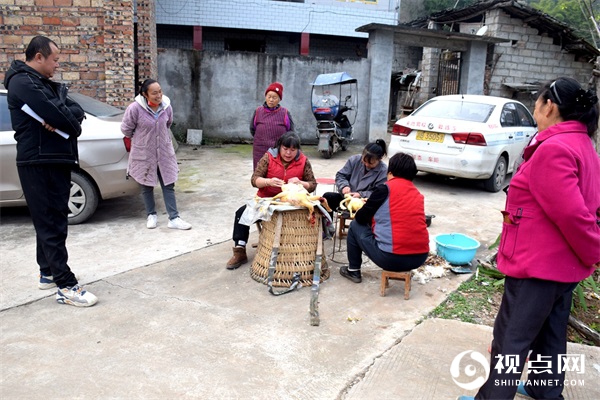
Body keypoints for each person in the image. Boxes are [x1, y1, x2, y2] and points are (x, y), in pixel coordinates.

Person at [458, 77, 600, 400]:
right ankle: (545, 390)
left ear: (550, 105)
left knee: (511, 341)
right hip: (564, 268)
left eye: (537, 100)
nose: (535, 106)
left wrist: (594, 250)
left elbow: (574, 217)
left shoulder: (555, 150)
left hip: (539, 269)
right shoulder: (582, 146)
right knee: (550, 337)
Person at [3, 35, 97, 307]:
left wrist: (65, 119)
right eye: (54, 59)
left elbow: (74, 110)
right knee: (50, 223)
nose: (57, 64)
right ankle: (66, 285)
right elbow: (61, 117)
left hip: (54, 158)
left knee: (54, 219)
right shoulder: (23, 82)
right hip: (39, 162)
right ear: (39, 56)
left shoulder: (42, 83)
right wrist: (67, 122)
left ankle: (47, 272)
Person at [226, 132, 317, 270]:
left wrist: (301, 183)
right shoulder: (268, 157)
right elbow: (254, 180)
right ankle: (240, 249)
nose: (288, 153)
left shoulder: (303, 161)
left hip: (291, 203)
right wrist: (268, 181)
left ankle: (298, 249)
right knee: (241, 213)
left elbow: (313, 184)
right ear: (279, 146)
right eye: (285, 149)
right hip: (266, 200)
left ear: (298, 150)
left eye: (293, 150)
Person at [339, 152, 429, 283]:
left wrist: (366, 206)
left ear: (390, 172)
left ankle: (353, 270)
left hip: (391, 258)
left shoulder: (384, 189)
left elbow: (361, 218)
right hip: (420, 258)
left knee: (355, 226)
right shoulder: (417, 193)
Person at [121, 79, 192, 230]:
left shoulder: (166, 107)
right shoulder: (135, 109)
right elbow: (126, 129)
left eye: (160, 91)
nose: (158, 95)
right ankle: (151, 215)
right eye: (154, 93)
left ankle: (174, 218)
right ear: (145, 94)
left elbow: (168, 124)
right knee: (146, 184)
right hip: (144, 153)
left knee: (168, 183)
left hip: (164, 152)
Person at [322, 139, 388, 216]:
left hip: (366, 204)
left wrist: (361, 194)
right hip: (347, 199)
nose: (366, 164)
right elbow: (340, 175)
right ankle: (327, 226)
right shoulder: (354, 160)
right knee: (327, 198)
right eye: (364, 161)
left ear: (379, 159)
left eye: (371, 163)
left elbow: (379, 193)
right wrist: (344, 186)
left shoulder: (383, 171)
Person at [250, 82, 294, 170]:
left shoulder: (285, 113)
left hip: (277, 150)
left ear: (279, 99)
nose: (271, 100)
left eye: (274, 97)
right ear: (265, 97)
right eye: (269, 96)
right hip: (259, 149)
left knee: (276, 173)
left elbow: (290, 132)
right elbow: (253, 129)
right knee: (260, 173)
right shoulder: (258, 111)